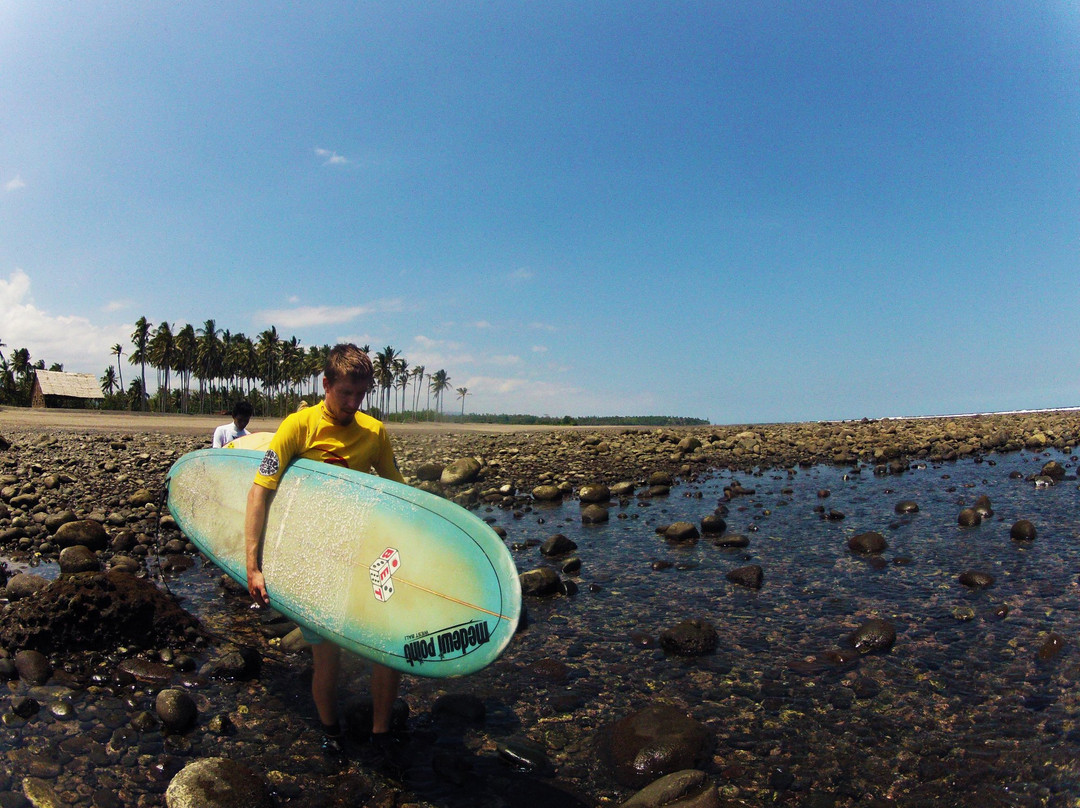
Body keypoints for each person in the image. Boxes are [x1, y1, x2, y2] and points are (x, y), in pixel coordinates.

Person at [244, 344, 406, 760]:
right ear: (326, 385)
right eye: (345, 394)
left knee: (387, 649)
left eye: (361, 395)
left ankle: (381, 735)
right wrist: (253, 565)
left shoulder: (374, 433)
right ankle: (330, 732)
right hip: (313, 561)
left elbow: (398, 496)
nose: (353, 404)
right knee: (326, 661)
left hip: (361, 558)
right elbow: (260, 492)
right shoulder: (297, 427)